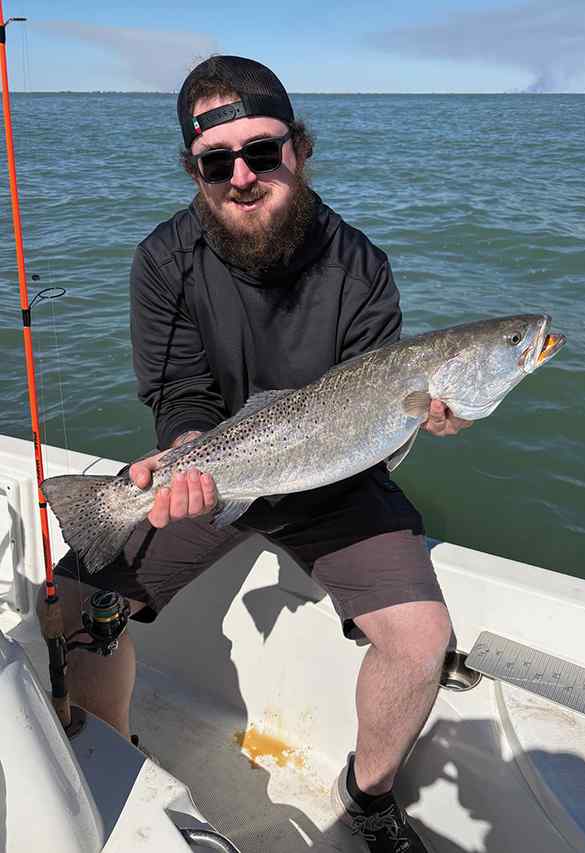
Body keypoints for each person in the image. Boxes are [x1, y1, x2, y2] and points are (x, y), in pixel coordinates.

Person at [50, 56, 472, 853]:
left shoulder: (360, 265)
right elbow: (178, 389)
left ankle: (367, 795)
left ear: (299, 150)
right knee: (76, 599)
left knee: (421, 640)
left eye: (262, 151)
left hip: (333, 481)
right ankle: (116, 772)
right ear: (196, 172)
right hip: (219, 471)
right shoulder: (163, 260)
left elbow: (375, 412)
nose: (242, 175)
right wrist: (185, 448)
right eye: (217, 162)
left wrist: (424, 419)